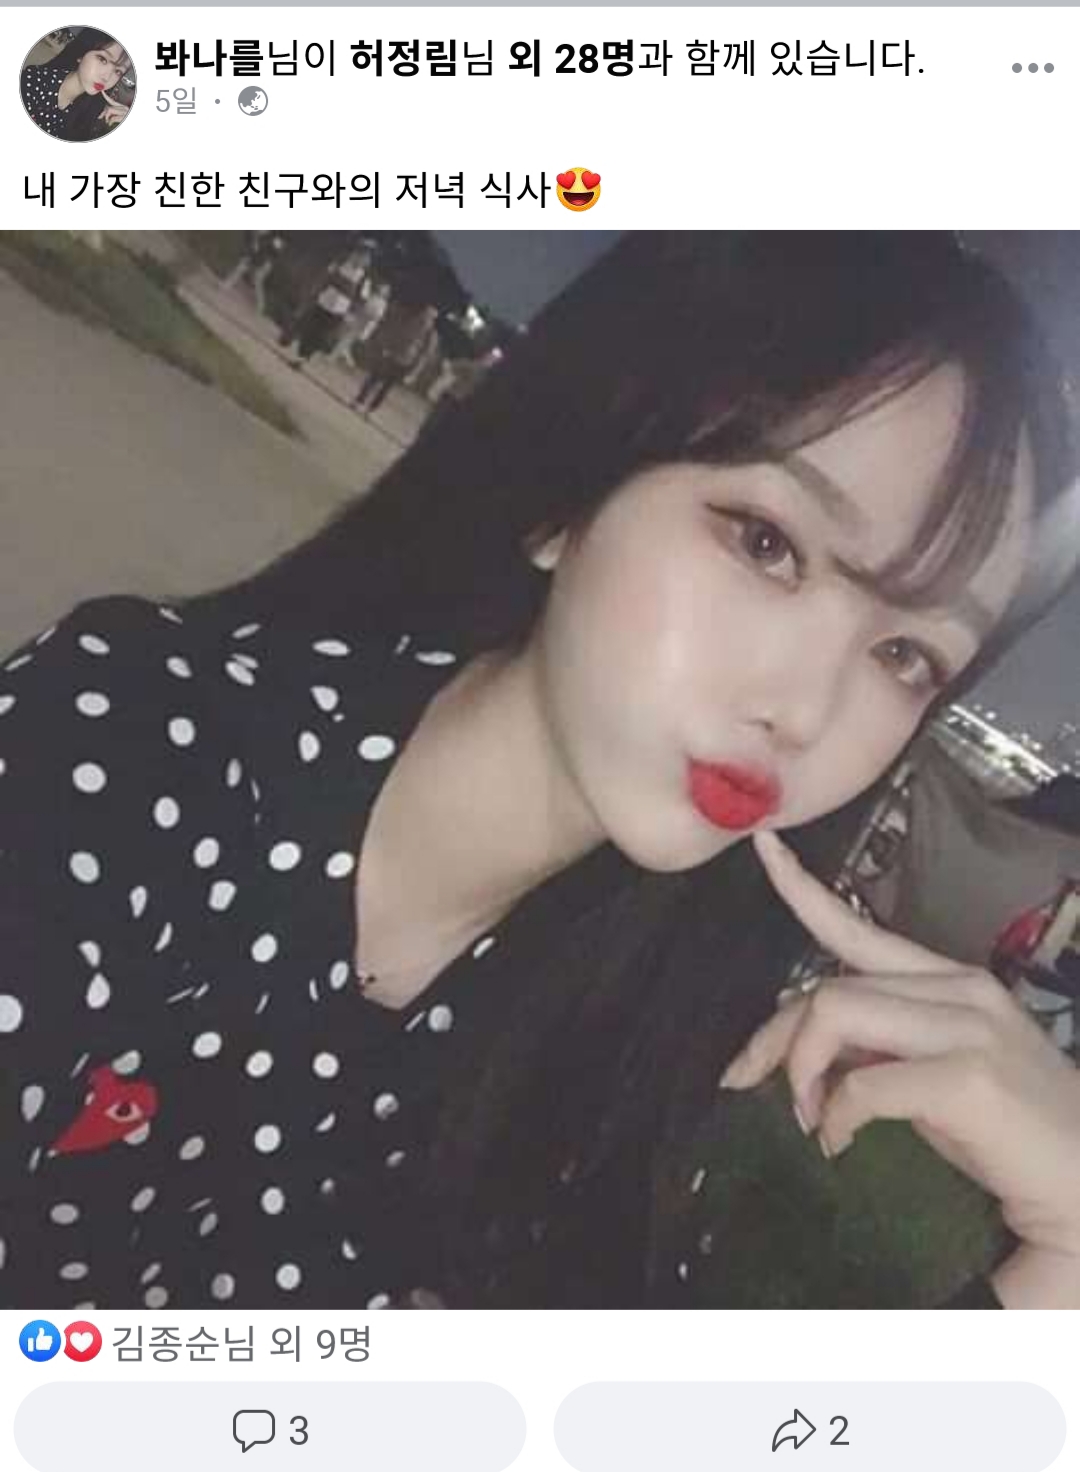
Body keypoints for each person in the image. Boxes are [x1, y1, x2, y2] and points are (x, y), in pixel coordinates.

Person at [2, 232, 1080, 1312]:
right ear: (571, 495)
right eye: (766, 544)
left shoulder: (634, 1025)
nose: (804, 713)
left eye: (905, 657)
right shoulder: (135, 756)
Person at [20, 29, 133, 141]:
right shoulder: (33, 82)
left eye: (118, 71)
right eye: (102, 59)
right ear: (82, 54)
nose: (106, 77)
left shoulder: (94, 112)